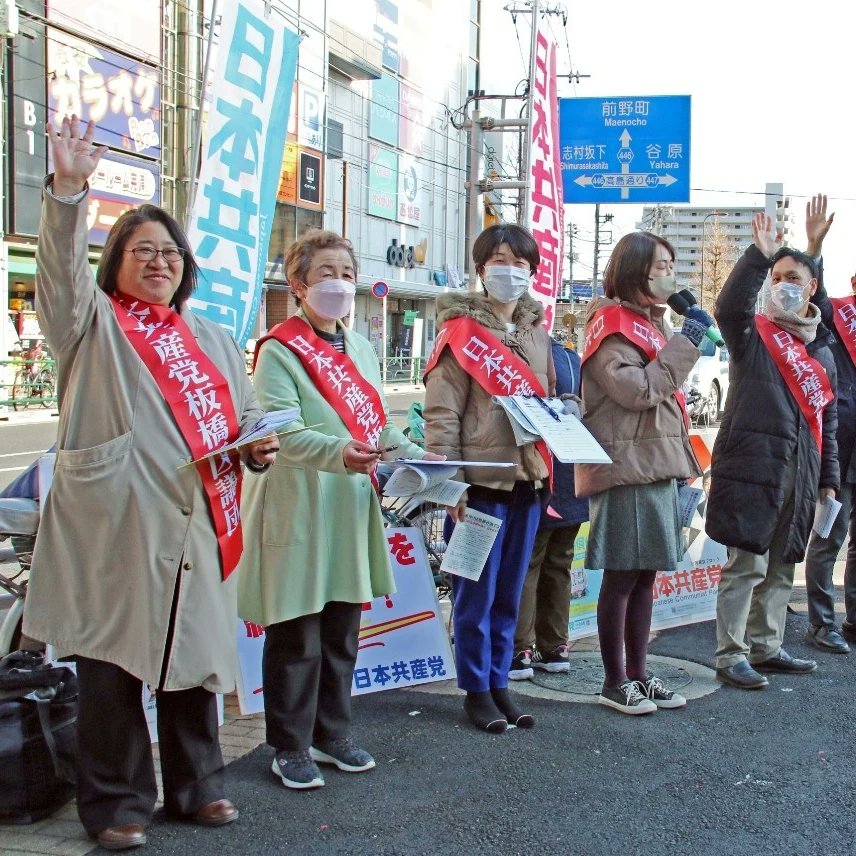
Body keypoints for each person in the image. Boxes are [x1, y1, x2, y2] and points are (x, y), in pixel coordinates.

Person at [21, 116, 279, 851]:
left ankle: (198, 788)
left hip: (198, 524)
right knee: (111, 667)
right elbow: (59, 281)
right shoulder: (91, 324)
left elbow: (246, 413)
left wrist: (258, 445)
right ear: (115, 265)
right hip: (115, 525)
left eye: (169, 252)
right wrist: (68, 193)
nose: (159, 262)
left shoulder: (214, 338)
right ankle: (114, 803)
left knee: (192, 662)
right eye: (142, 251)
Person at [237, 229, 436, 790]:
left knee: (343, 628)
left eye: (347, 274)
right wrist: (339, 452)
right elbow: (282, 432)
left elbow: (377, 426)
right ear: (298, 284)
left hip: (349, 504)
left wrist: (423, 458)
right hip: (299, 503)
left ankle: (332, 733)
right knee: (296, 632)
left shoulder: (362, 348)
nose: (340, 284)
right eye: (326, 273)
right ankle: (288, 744)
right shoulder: (278, 351)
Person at [423, 223, 555, 733]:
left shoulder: (537, 334)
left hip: (528, 482)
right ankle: (475, 688)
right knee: (473, 595)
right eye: (499, 260)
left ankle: (499, 681)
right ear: (481, 269)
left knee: (509, 592)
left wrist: (564, 410)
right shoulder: (460, 333)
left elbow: (548, 397)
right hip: (478, 488)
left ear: (532, 271)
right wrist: (449, 485)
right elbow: (442, 416)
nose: (510, 271)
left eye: (520, 263)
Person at [707, 212, 839, 690]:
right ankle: (731, 653)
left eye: (794, 278)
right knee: (746, 565)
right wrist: (758, 256)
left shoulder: (820, 349)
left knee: (783, 565)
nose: (784, 285)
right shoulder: (753, 335)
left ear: (811, 287)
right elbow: (728, 309)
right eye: (777, 277)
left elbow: (828, 421)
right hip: (753, 467)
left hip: (800, 472)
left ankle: (766, 646)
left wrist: (828, 479)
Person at [575, 230, 704, 715]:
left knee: (645, 575)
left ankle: (640, 674)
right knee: (623, 577)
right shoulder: (611, 324)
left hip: (654, 463)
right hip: (626, 467)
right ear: (635, 271)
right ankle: (615, 681)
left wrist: (683, 338)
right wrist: (687, 342)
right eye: (661, 266)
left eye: (672, 265)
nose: (670, 275)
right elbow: (638, 390)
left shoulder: (649, 323)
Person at [509, 336, 589, 680]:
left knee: (528, 563)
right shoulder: (572, 358)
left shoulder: (516, 354)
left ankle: (520, 649)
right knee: (560, 563)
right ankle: (555, 646)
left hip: (540, 475)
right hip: (573, 475)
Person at [798, 195, 855, 654]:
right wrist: (814, 246)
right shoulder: (839, 318)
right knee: (827, 537)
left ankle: (853, 619)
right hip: (840, 449)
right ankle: (821, 622)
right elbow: (813, 296)